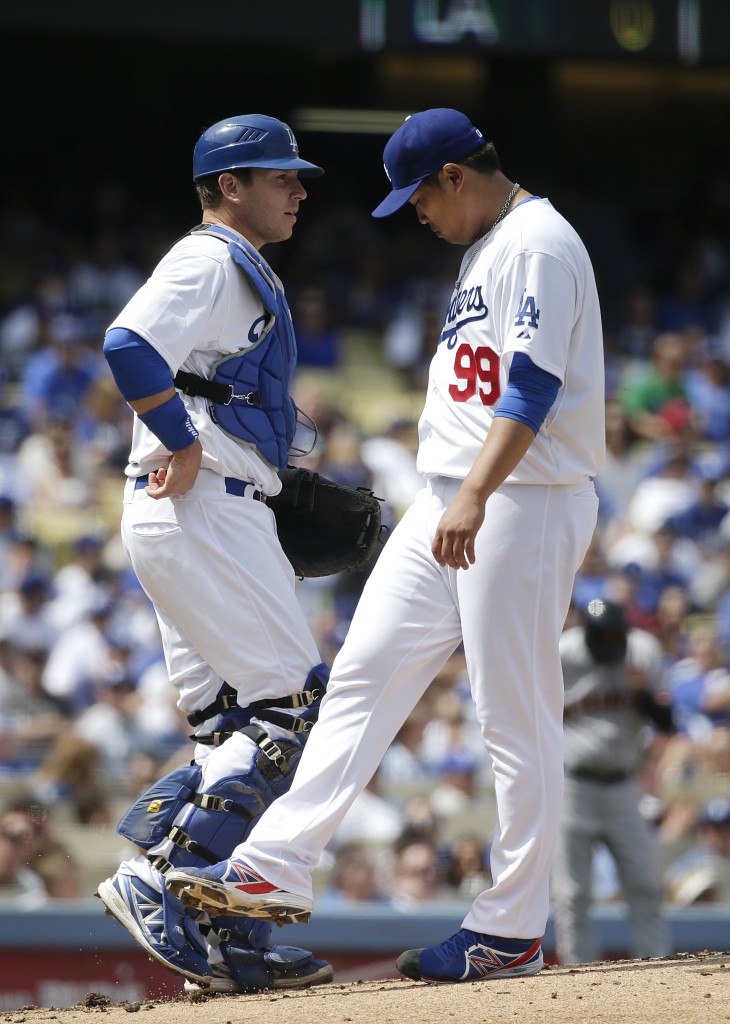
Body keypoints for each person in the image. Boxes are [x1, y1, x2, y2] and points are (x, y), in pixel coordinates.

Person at [165, 107, 604, 984]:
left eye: (419, 198)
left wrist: (476, 494)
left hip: (523, 497)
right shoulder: (490, 246)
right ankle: (273, 862)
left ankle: (512, 925)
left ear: (454, 176)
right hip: (455, 493)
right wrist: (458, 491)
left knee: (512, 714)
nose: (416, 216)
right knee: (362, 671)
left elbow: (534, 386)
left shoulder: (540, 242)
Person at [94, 113, 334, 995]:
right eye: (282, 177)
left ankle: (223, 939)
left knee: (230, 732)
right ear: (231, 185)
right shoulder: (208, 257)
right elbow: (127, 343)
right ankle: (156, 877)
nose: (299, 190)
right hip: (199, 504)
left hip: (196, 511)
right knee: (294, 715)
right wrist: (181, 440)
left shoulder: (239, 266)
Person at [550, 598, 673, 965]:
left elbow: (668, 723)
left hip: (623, 786)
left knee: (645, 885)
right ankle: (577, 973)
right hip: (573, 785)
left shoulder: (642, 652)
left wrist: (644, 695)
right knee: (572, 893)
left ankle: (658, 969)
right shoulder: (562, 654)